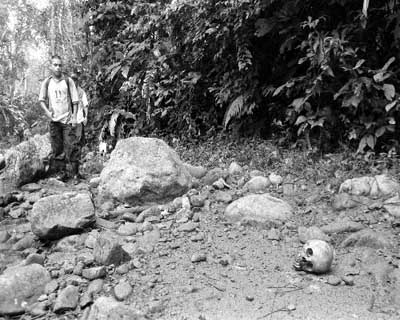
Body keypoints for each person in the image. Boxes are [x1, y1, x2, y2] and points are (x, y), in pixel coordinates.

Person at [38, 55, 79, 181]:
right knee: (57, 148)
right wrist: (48, 113)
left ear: (62, 66)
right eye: (55, 65)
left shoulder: (68, 81)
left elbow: (75, 101)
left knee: (71, 146)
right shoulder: (47, 82)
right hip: (54, 121)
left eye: (60, 65)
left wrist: (74, 117)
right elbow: (41, 100)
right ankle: (62, 173)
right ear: (51, 66)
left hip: (67, 120)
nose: (58, 67)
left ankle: (75, 174)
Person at [70, 69, 89, 179]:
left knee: (78, 145)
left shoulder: (81, 92)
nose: (74, 81)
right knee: (71, 145)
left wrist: (86, 117)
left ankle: (76, 173)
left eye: (75, 79)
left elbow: (85, 105)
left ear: (78, 81)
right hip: (69, 122)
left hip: (79, 121)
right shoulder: (67, 92)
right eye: (72, 79)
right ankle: (72, 173)